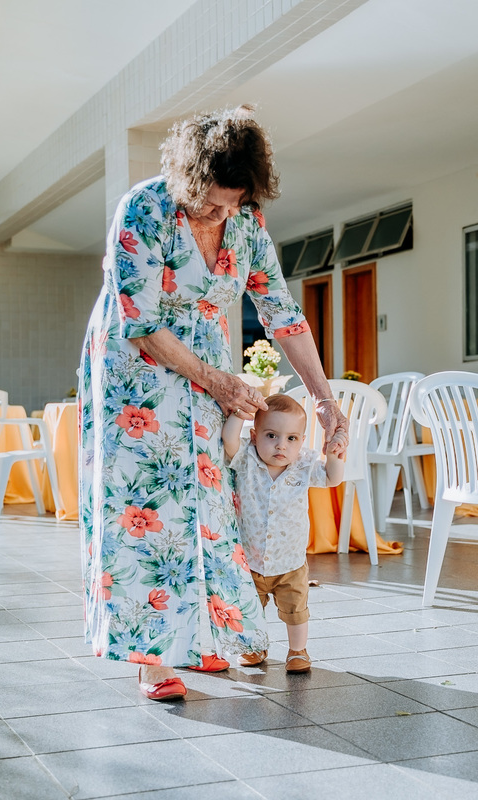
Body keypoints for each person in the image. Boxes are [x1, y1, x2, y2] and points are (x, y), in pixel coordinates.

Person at [78, 105, 348, 702]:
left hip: (206, 370)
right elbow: (141, 323)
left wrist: (324, 398)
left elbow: (282, 312)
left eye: (234, 204)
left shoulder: (245, 222)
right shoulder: (144, 209)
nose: (222, 215)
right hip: (136, 373)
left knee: (208, 499)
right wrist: (219, 382)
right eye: (211, 203)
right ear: (188, 178)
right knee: (148, 502)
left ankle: (200, 638)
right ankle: (151, 658)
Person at [221, 394, 343, 673]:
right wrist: (239, 414)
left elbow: (332, 478)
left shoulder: (304, 465)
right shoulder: (246, 459)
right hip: (251, 559)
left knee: (295, 610)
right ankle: (254, 646)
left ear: (301, 441)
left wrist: (334, 456)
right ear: (255, 436)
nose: (281, 445)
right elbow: (229, 440)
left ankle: (298, 651)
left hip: (290, 561)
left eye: (291, 438)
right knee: (249, 608)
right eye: (271, 435)